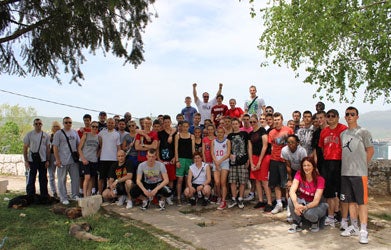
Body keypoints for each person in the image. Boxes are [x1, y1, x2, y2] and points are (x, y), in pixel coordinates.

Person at [339, 107, 374, 244]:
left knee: (362, 202)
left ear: (357, 116)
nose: (349, 116)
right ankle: (354, 226)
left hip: (359, 173)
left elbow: (370, 151)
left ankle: (364, 230)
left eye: (352, 114)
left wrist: (362, 165)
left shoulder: (363, 132)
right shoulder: (343, 134)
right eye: (347, 114)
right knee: (351, 201)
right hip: (345, 172)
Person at [318, 109, 347, 227]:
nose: (330, 118)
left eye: (333, 116)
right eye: (328, 116)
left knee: (341, 191)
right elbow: (321, 147)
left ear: (337, 117)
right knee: (329, 191)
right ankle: (330, 216)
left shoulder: (343, 129)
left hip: (340, 162)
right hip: (327, 163)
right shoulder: (324, 131)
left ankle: (342, 216)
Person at [287, 157, 328, 233]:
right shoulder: (299, 174)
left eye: (309, 165)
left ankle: (315, 222)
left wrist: (304, 207)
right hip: (304, 201)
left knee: (309, 213)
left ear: (313, 167)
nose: (306, 167)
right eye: (304, 165)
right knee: (291, 200)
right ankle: (296, 222)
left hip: (317, 205)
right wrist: (296, 205)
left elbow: (316, 201)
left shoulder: (320, 179)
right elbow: (292, 191)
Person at [268, 112, 294, 214]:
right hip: (274, 159)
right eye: (275, 120)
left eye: (278, 119)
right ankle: (279, 204)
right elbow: (271, 146)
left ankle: (289, 205)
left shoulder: (288, 130)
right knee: (276, 184)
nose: (276, 122)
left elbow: (293, 144)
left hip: (285, 160)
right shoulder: (271, 132)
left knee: (286, 184)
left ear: (282, 120)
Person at [53, 117, 80, 204]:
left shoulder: (75, 132)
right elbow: (55, 147)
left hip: (73, 160)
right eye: (66, 122)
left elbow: (78, 145)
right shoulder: (58, 133)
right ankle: (63, 197)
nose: (68, 124)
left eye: (70, 122)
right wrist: (57, 159)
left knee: (75, 178)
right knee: (61, 180)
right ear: (63, 123)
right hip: (62, 160)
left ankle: (75, 194)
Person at [281, 134, 308, 222]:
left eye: (292, 142)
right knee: (290, 188)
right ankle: (290, 210)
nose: (290, 144)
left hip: (303, 169)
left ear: (297, 143)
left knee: (301, 189)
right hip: (291, 169)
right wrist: (290, 179)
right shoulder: (284, 150)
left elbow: (304, 165)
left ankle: (303, 209)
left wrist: (301, 179)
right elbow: (288, 165)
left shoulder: (302, 151)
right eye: (288, 142)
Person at [248, 116, 272, 209]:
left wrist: (259, 162)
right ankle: (261, 200)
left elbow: (265, 146)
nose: (252, 123)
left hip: (264, 157)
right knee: (257, 180)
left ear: (257, 121)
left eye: (254, 121)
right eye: (251, 122)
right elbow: (250, 148)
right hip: (254, 157)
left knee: (264, 181)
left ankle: (269, 203)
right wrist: (252, 162)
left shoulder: (262, 131)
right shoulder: (250, 134)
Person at [23, 118, 50, 198]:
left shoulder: (46, 135)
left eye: (40, 124)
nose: (38, 125)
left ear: (42, 124)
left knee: (43, 179)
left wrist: (48, 160)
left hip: (43, 160)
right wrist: (26, 160)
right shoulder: (29, 134)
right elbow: (25, 148)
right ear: (34, 125)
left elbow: (48, 148)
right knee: (32, 178)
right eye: (36, 124)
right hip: (32, 160)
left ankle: (44, 195)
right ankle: (30, 195)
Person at [227, 118, 249, 209]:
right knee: (232, 181)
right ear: (232, 125)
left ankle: (240, 198)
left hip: (243, 160)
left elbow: (248, 147)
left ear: (239, 124)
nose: (235, 125)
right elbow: (228, 148)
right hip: (233, 162)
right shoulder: (230, 135)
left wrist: (248, 159)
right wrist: (229, 156)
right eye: (233, 124)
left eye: (236, 123)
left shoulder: (244, 134)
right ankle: (234, 198)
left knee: (242, 181)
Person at [78, 121, 102, 197]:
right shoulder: (86, 135)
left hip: (93, 160)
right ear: (90, 127)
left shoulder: (99, 137)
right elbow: (79, 148)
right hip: (85, 159)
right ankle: (85, 196)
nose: (95, 128)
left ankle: (89, 195)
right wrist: (82, 158)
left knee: (92, 178)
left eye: (96, 127)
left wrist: (97, 155)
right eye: (93, 126)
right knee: (87, 177)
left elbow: (100, 147)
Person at [157, 115, 177, 205]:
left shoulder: (174, 133)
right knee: (162, 179)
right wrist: (158, 158)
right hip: (162, 160)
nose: (166, 124)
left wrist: (175, 157)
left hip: (171, 160)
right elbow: (157, 147)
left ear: (170, 122)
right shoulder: (160, 133)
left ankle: (169, 196)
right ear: (163, 123)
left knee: (171, 179)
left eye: (168, 122)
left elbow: (176, 146)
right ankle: (163, 196)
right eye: (165, 122)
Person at [98, 118, 121, 195]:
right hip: (103, 158)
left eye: (112, 123)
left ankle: (112, 195)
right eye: (109, 123)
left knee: (111, 179)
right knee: (101, 178)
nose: (110, 124)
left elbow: (118, 147)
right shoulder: (101, 133)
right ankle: (100, 195)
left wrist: (119, 158)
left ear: (114, 124)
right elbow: (100, 143)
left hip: (113, 159)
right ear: (106, 123)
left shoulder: (117, 134)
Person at [174, 120, 195, 205]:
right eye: (184, 126)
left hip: (189, 159)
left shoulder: (192, 136)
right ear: (181, 127)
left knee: (187, 180)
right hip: (181, 159)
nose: (185, 128)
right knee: (180, 179)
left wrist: (194, 160)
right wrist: (177, 160)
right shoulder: (177, 136)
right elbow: (176, 149)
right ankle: (178, 197)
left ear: (188, 127)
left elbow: (193, 149)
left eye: (187, 126)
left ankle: (187, 196)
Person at [211, 126, 231, 209]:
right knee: (217, 182)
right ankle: (219, 196)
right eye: (218, 132)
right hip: (216, 163)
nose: (219, 134)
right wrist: (216, 162)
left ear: (224, 133)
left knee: (223, 182)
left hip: (224, 163)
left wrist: (220, 161)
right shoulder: (213, 141)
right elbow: (212, 152)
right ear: (216, 133)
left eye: (221, 132)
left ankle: (223, 201)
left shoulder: (227, 141)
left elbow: (228, 153)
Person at [48, 121, 61, 197]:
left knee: (61, 175)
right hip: (52, 156)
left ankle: (62, 191)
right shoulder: (50, 137)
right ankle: (54, 191)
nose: (55, 128)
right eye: (54, 126)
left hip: (60, 155)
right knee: (51, 175)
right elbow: (48, 148)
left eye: (57, 126)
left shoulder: (61, 136)